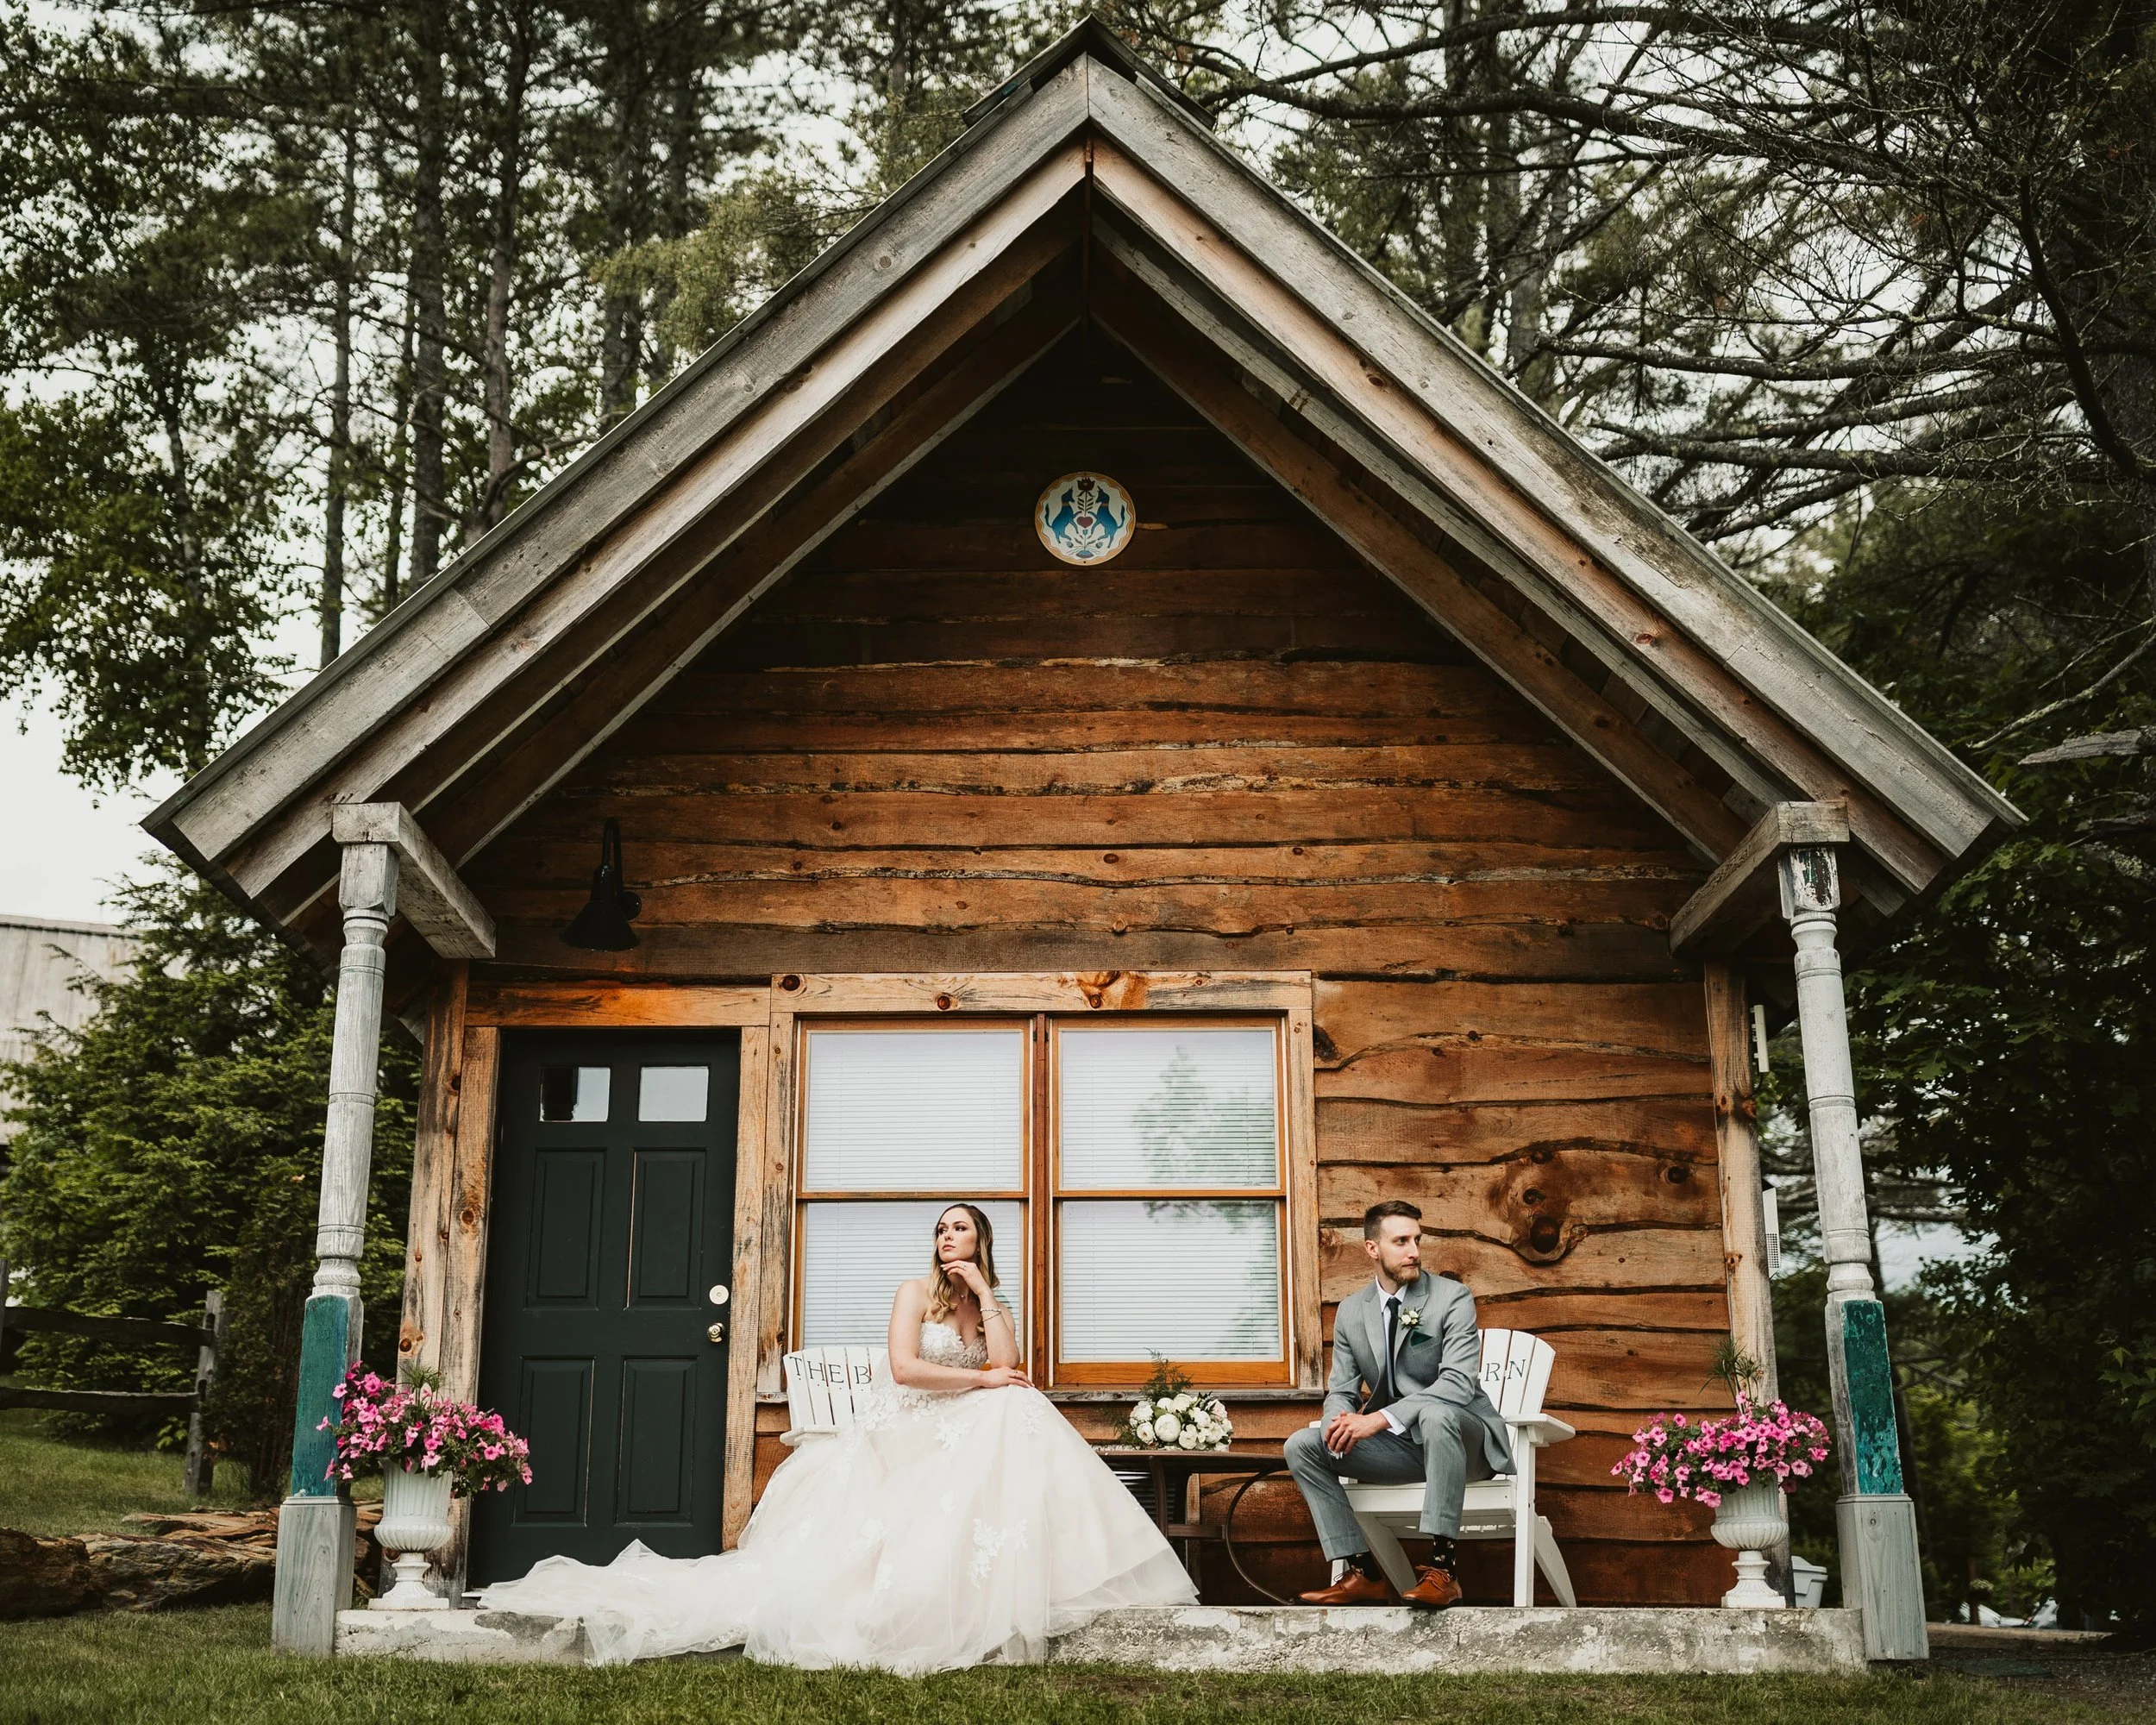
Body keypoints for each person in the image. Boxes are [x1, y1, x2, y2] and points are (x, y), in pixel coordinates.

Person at [475, 1202, 1194, 1669]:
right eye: (941, 1229)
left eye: (960, 1228)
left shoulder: (982, 1302)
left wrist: (985, 1295)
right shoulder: (913, 1294)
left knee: (1023, 1406)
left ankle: (1045, 1575)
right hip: (903, 1430)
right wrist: (978, 1382)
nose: (947, 1237)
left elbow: (1008, 1368)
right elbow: (908, 1371)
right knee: (1010, 1406)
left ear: (982, 1241)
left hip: (961, 1426)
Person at [1282, 1199, 1512, 1609]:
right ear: (1373, 1249)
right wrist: (1339, 1423)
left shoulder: (1451, 1297)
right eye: (1401, 1241)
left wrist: (1380, 1420)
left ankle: (1444, 1570)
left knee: (1438, 1413)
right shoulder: (1352, 1311)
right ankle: (1363, 1573)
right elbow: (1342, 1388)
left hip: (1465, 1442)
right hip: (1406, 1449)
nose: (1414, 1252)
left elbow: (1458, 1384)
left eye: (1417, 1240)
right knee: (1302, 1445)